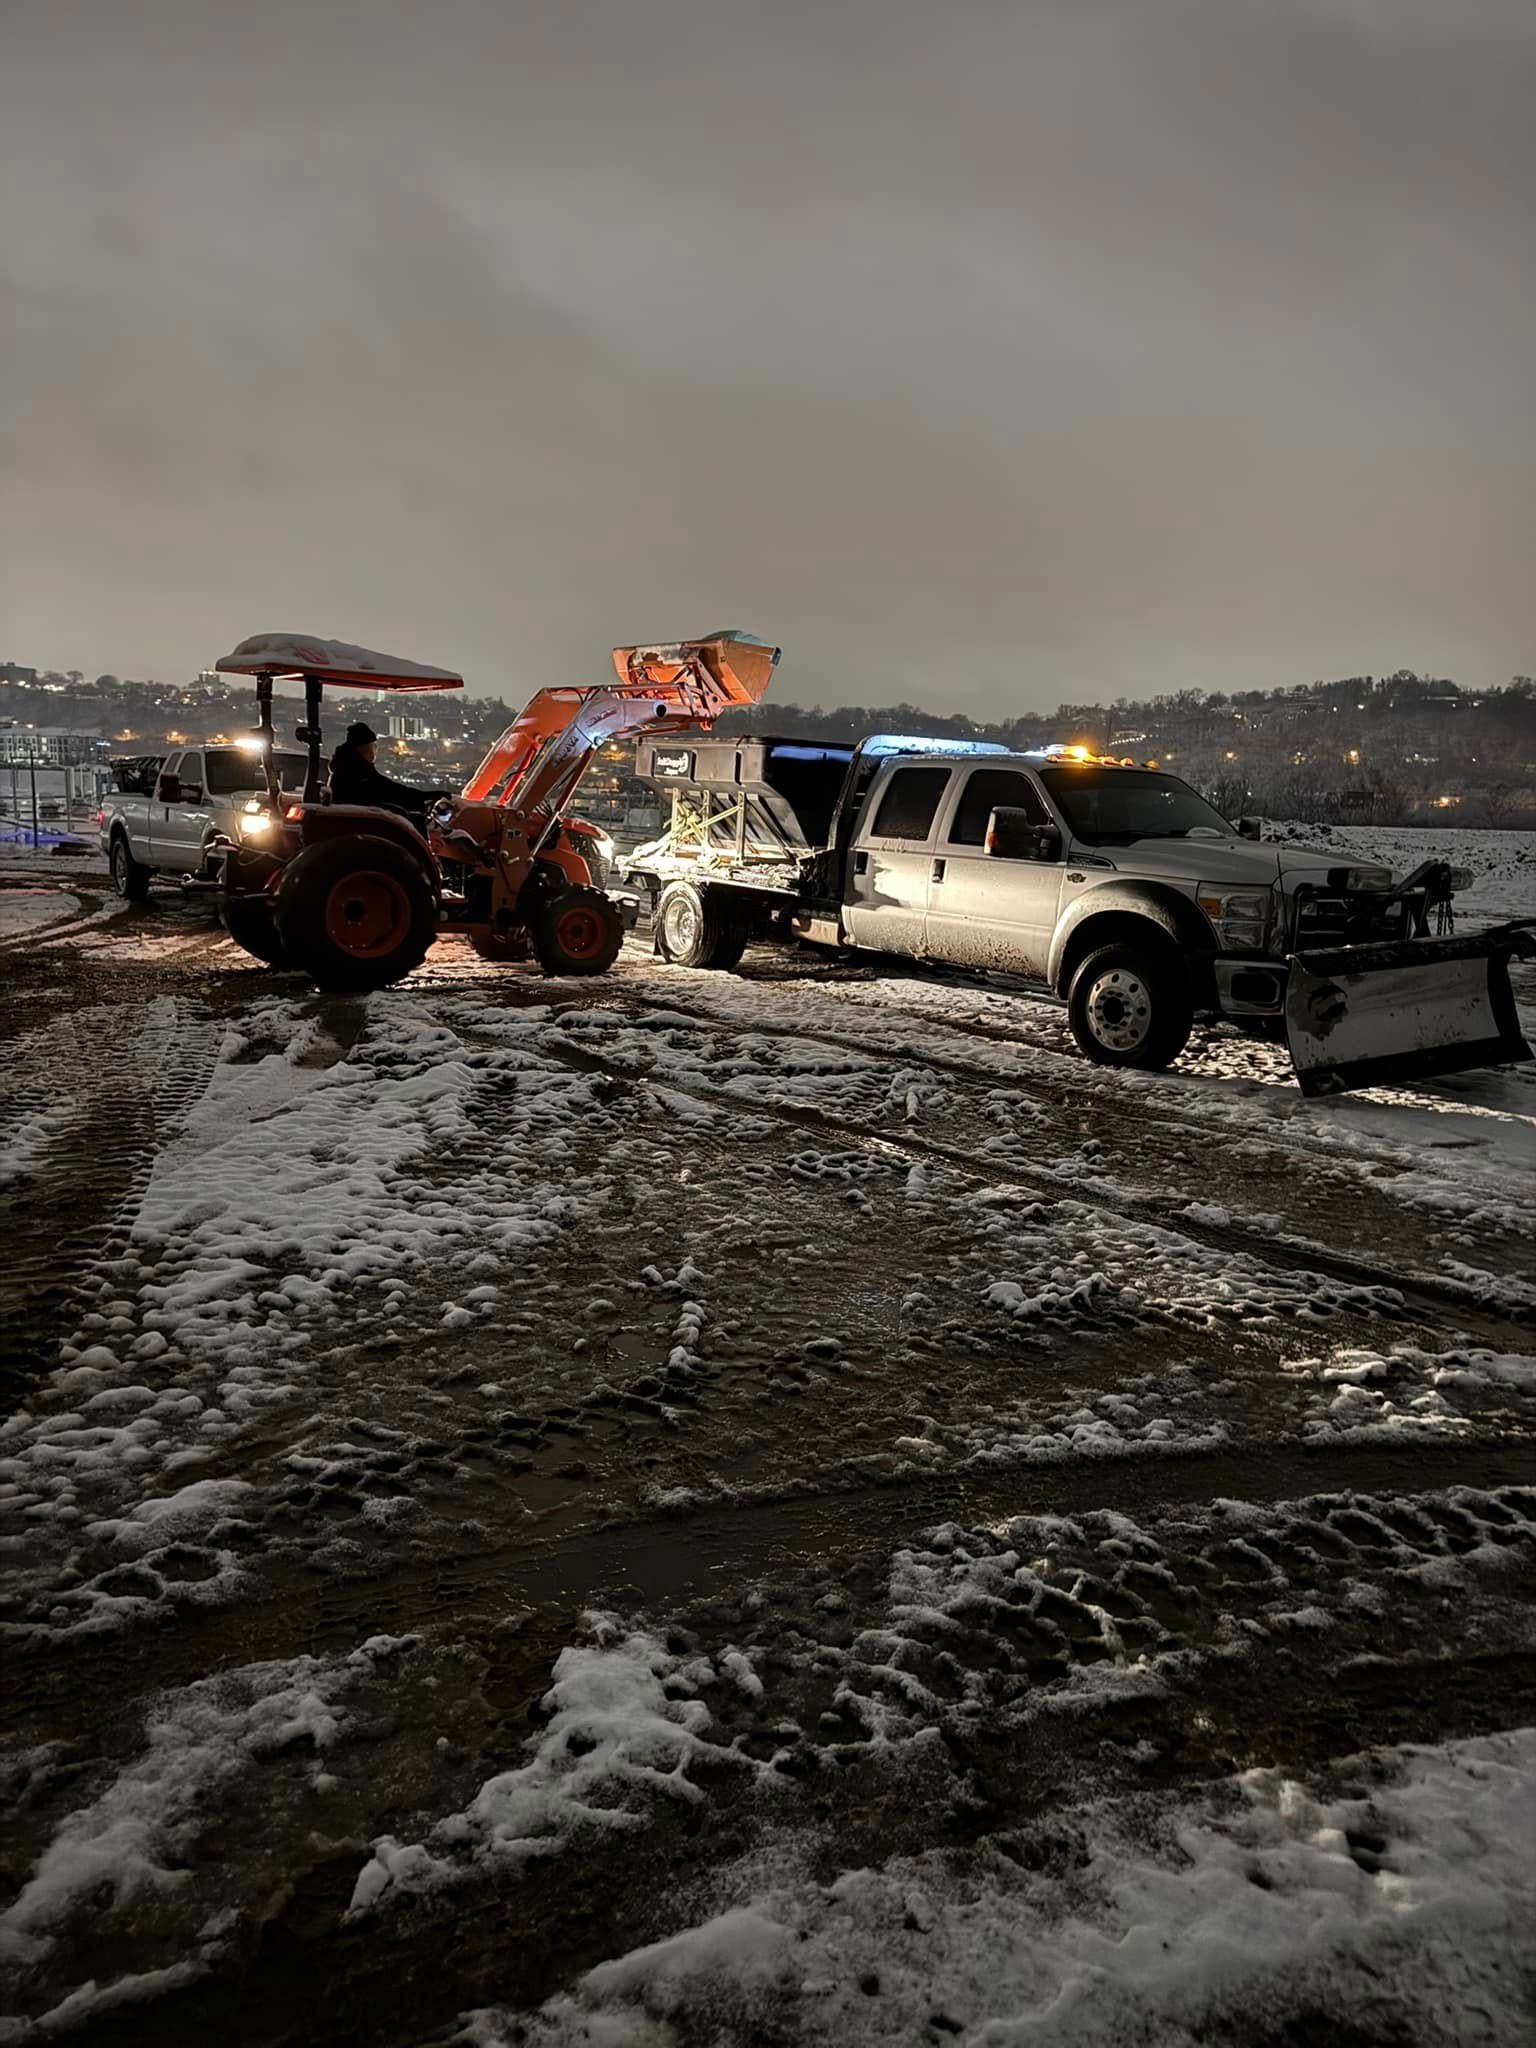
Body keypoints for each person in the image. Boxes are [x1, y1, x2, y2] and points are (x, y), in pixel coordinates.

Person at [327, 722, 445, 821]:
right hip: (363, 820)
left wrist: (422, 796)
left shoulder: (347, 768)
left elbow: (389, 790)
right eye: (374, 746)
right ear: (363, 748)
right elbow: (390, 790)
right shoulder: (357, 772)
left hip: (358, 816)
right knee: (413, 818)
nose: (375, 751)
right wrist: (423, 797)